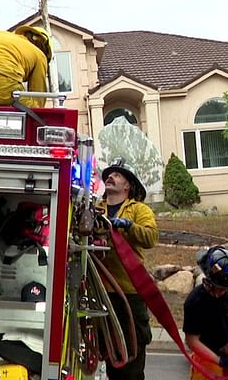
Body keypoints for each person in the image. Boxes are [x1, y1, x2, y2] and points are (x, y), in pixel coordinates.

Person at [95, 156, 159, 379]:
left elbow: (151, 237)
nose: (111, 177)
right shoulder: (95, 208)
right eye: (109, 174)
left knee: (132, 353)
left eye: (118, 175)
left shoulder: (138, 210)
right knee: (109, 353)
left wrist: (129, 226)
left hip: (130, 294)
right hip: (100, 293)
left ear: (128, 185)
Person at [183, 246, 228, 380]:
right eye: (220, 288)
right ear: (208, 281)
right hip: (207, 358)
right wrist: (218, 360)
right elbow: (192, 341)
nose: (223, 292)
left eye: (226, 288)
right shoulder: (195, 301)